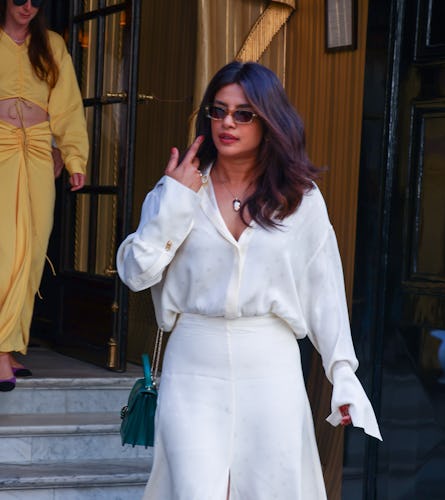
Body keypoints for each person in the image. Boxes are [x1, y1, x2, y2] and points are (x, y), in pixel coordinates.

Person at [117, 60, 381, 500]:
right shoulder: (178, 189)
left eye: (243, 114)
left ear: (269, 120)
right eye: (218, 111)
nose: (227, 123)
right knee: (196, 490)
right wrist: (174, 206)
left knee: (271, 489)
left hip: (270, 365)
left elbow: (325, 295)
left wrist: (343, 374)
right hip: (193, 366)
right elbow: (134, 274)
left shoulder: (300, 200)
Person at [0, 0, 88, 392]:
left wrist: (73, 157)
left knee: (33, 249)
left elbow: (67, 106)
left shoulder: (51, 44)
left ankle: (11, 342)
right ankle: (1, 351)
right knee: (6, 249)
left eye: (35, 1)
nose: (28, 7)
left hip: (37, 151)